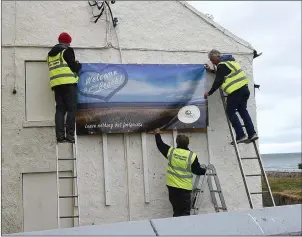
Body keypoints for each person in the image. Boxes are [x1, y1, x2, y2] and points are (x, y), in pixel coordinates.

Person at [204, 49, 258, 144]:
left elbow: (218, 81)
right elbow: (225, 74)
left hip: (235, 91)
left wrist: (209, 92)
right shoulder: (231, 62)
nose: (213, 63)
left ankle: (241, 135)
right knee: (243, 111)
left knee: (230, 111)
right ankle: (252, 133)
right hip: (244, 89)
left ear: (217, 57)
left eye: (213, 61)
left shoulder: (221, 65)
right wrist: (212, 71)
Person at [154, 128, 207, 217]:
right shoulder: (191, 156)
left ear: (177, 142)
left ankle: (176, 229)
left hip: (172, 187)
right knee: (185, 212)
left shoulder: (171, 152)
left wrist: (157, 134)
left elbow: (160, 145)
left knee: (177, 211)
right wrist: (205, 171)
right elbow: (196, 171)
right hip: (184, 189)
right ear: (188, 143)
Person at [47, 32, 82, 143]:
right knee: (72, 108)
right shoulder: (67, 51)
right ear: (68, 42)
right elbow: (73, 67)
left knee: (60, 109)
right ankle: (70, 135)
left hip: (57, 85)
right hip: (68, 84)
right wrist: (78, 65)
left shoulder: (50, 55)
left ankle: (60, 136)